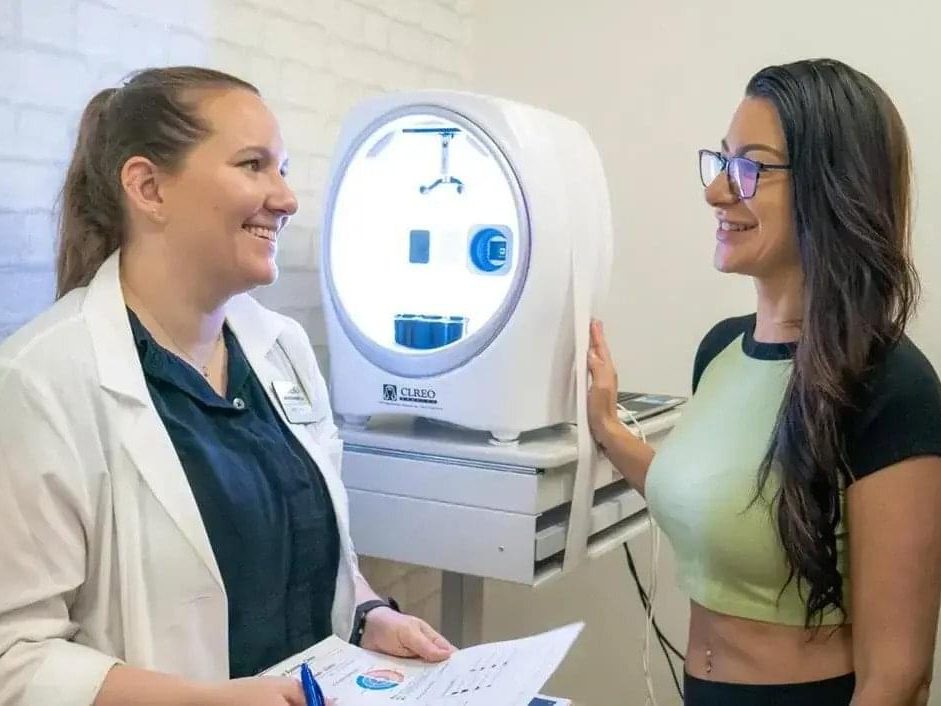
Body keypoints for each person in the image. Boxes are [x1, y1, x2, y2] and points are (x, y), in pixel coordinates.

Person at [0, 67, 453, 706]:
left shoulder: (282, 350)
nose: (287, 198)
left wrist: (368, 615)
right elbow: (14, 657)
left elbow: (317, 556)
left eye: (284, 168)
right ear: (148, 187)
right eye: (252, 165)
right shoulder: (40, 381)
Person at [588, 58, 941, 706]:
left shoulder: (891, 386)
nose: (716, 191)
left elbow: (896, 676)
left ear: (832, 186)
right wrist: (608, 430)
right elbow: (716, 500)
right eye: (720, 161)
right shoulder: (721, 350)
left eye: (748, 167)